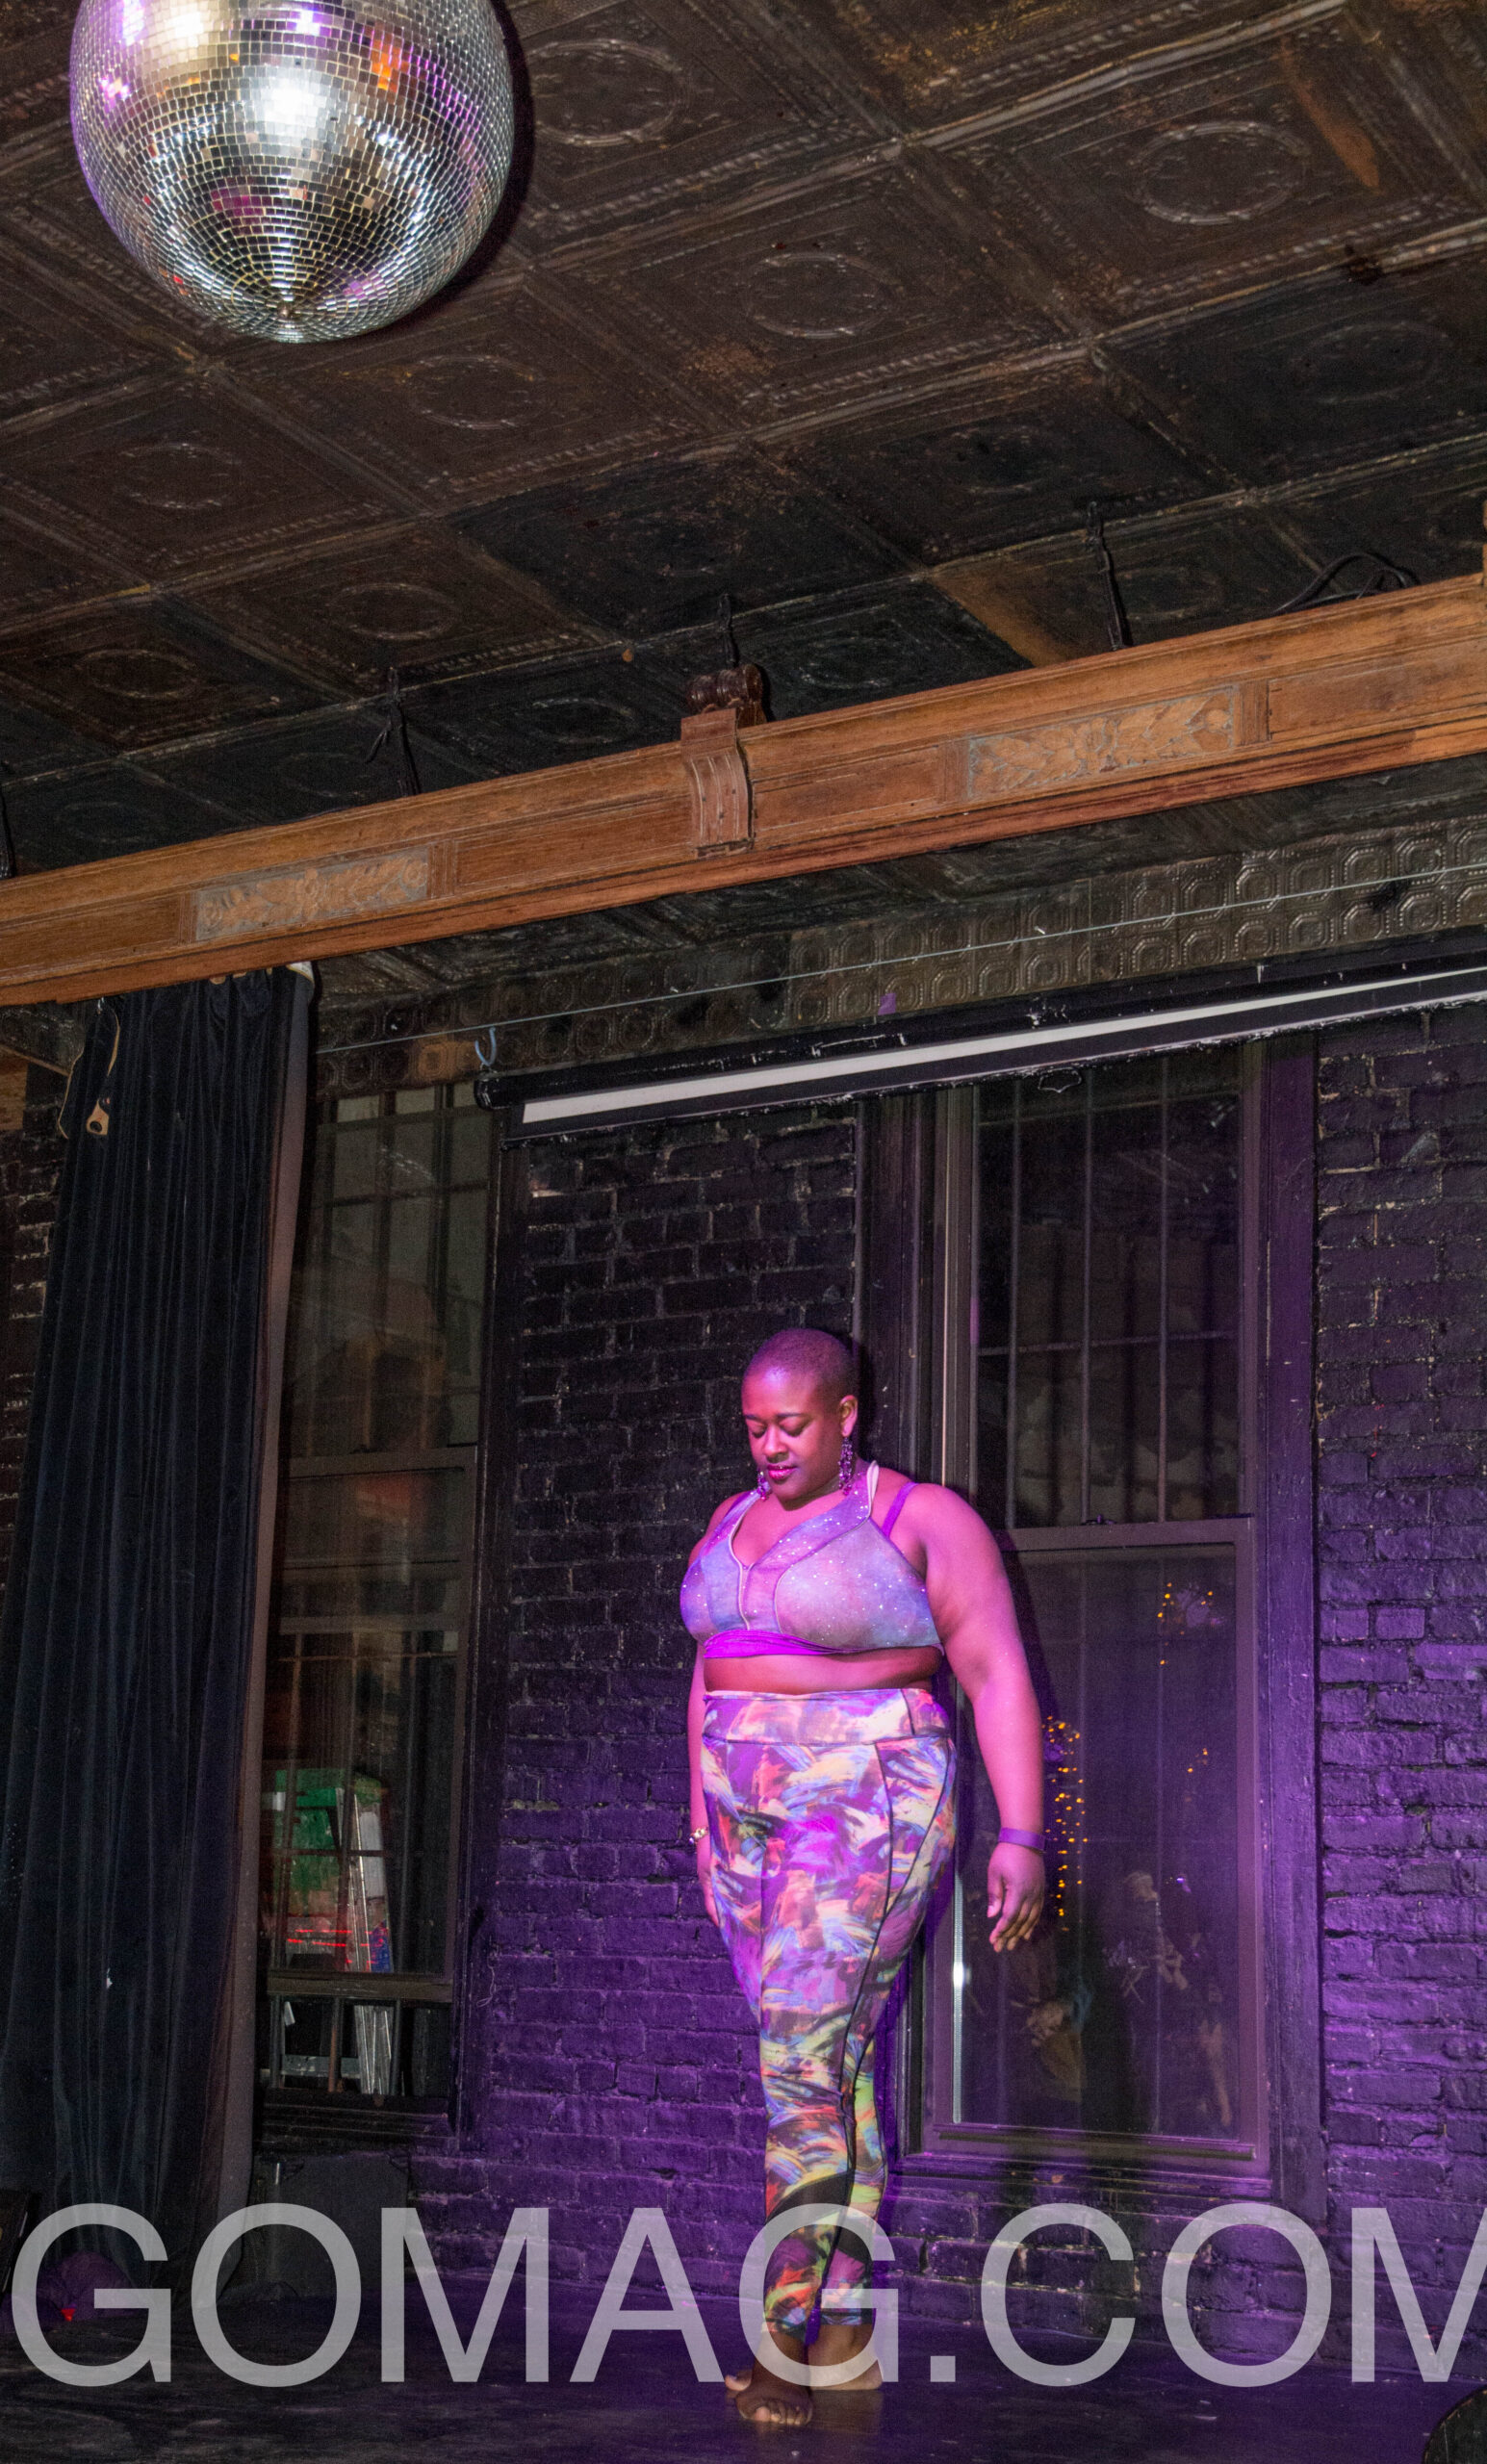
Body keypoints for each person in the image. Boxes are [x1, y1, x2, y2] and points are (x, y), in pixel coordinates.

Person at [681, 1326, 1045, 2426]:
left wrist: (1023, 1832)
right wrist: (698, 1815)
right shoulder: (730, 1518)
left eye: (790, 1425)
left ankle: (781, 2337)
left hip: (864, 1797)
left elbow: (994, 1670)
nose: (769, 1445)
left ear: (847, 1415)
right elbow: (708, 1668)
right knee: (829, 2066)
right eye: (754, 1426)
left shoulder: (919, 1519)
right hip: (741, 1813)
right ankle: (844, 2326)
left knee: (799, 2064)